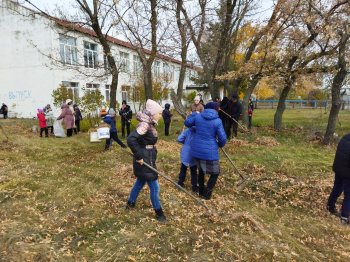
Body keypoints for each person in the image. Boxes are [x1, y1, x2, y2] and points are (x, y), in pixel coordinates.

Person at [126, 99, 167, 222]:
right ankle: (159, 213)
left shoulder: (149, 123)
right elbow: (131, 139)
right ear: (153, 113)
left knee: (140, 182)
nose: (160, 115)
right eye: (159, 113)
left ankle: (130, 203)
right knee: (154, 187)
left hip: (147, 157)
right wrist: (138, 157)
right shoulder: (145, 125)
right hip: (144, 160)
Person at [184, 102, 227, 200]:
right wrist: (220, 144)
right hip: (209, 151)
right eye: (218, 108)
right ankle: (207, 194)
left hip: (196, 149)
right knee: (215, 172)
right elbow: (222, 138)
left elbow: (187, 123)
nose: (219, 110)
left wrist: (194, 114)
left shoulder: (198, 117)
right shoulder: (217, 121)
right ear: (215, 109)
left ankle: (201, 191)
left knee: (201, 170)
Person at [327, 133, 350, 225]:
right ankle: (344, 218)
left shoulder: (345, 137)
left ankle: (330, 206)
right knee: (348, 196)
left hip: (339, 168)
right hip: (348, 173)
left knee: (337, 188)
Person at [177, 122, 198, 193]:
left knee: (183, 168)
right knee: (194, 170)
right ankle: (194, 186)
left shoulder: (187, 130)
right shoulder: (199, 131)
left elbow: (179, 139)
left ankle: (180, 182)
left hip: (186, 151)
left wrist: (185, 142)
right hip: (195, 152)